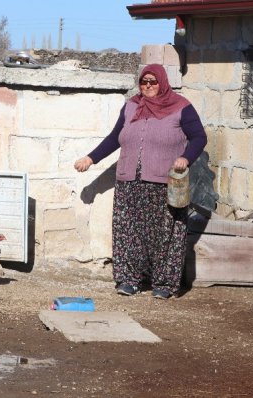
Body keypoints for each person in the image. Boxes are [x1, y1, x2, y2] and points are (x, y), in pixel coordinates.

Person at [74, 63, 207, 299]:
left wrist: (186, 158)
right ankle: (129, 279)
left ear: (162, 82)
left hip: (165, 183)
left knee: (165, 234)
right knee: (129, 232)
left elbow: (199, 137)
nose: (148, 86)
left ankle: (164, 283)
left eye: (153, 81)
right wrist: (91, 158)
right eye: (144, 81)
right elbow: (115, 137)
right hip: (129, 181)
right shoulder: (131, 106)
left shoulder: (181, 107)